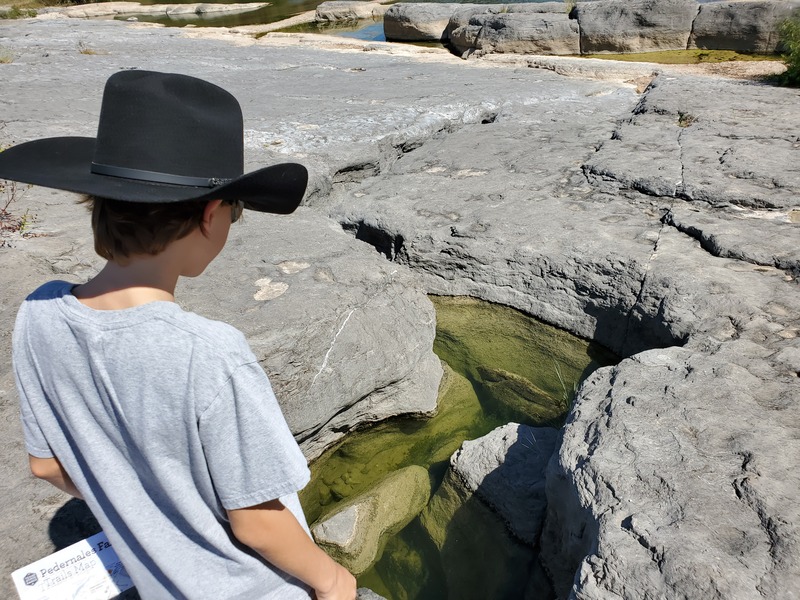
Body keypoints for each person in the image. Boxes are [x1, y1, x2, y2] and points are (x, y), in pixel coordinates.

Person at [1, 70, 357, 599]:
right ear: (212, 215)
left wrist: (138, 509)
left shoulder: (39, 311)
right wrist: (334, 581)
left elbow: (46, 464)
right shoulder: (210, 353)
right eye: (237, 212)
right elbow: (258, 524)